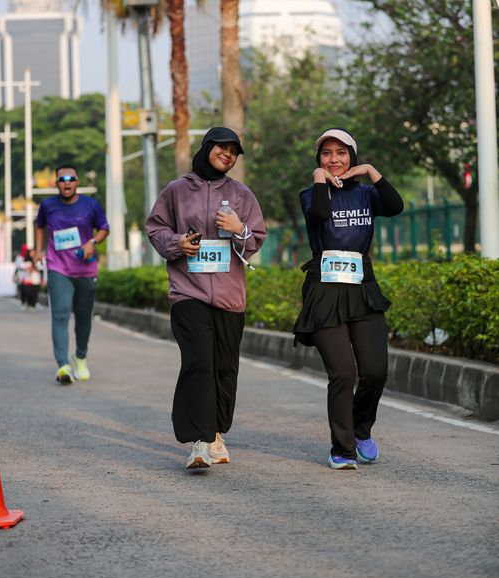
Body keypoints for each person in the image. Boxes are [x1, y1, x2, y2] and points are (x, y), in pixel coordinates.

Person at [146, 127, 266, 470]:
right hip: (188, 291)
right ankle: (199, 442)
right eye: (221, 148)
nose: (227, 155)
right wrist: (177, 244)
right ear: (207, 147)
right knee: (198, 361)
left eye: (234, 151)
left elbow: (255, 240)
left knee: (224, 368)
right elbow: (156, 228)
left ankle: (215, 433)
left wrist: (239, 228)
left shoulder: (241, 194)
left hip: (229, 296)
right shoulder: (177, 190)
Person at [293, 128, 404, 470]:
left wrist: (370, 171)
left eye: (341, 152)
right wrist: (319, 178)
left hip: (362, 287)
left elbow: (395, 206)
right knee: (342, 372)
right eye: (326, 153)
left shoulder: (367, 194)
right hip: (324, 290)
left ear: (352, 156)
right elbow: (321, 214)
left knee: (375, 370)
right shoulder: (311, 193)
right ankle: (342, 449)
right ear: (319, 159)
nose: (334, 159)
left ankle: (360, 430)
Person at [34, 164, 110, 385]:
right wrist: (38, 250)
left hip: (85, 269)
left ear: (77, 182)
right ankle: (63, 365)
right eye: (62, 179)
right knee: (60, 315)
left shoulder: (90, 204)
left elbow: (104, 228)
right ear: (56, 183)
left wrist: (92, 242)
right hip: (58, 267)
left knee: (84, 317)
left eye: (71, 179)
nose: (66, 182)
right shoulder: (48, 205)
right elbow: (39, 225)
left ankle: (80, 357)